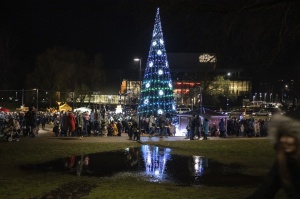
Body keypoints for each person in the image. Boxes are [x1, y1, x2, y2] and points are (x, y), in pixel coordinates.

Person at [247, 110, 300, 199]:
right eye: (281, 135)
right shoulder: (285, 161)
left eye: (289, 135)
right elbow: (266, 189)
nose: (283, 139)